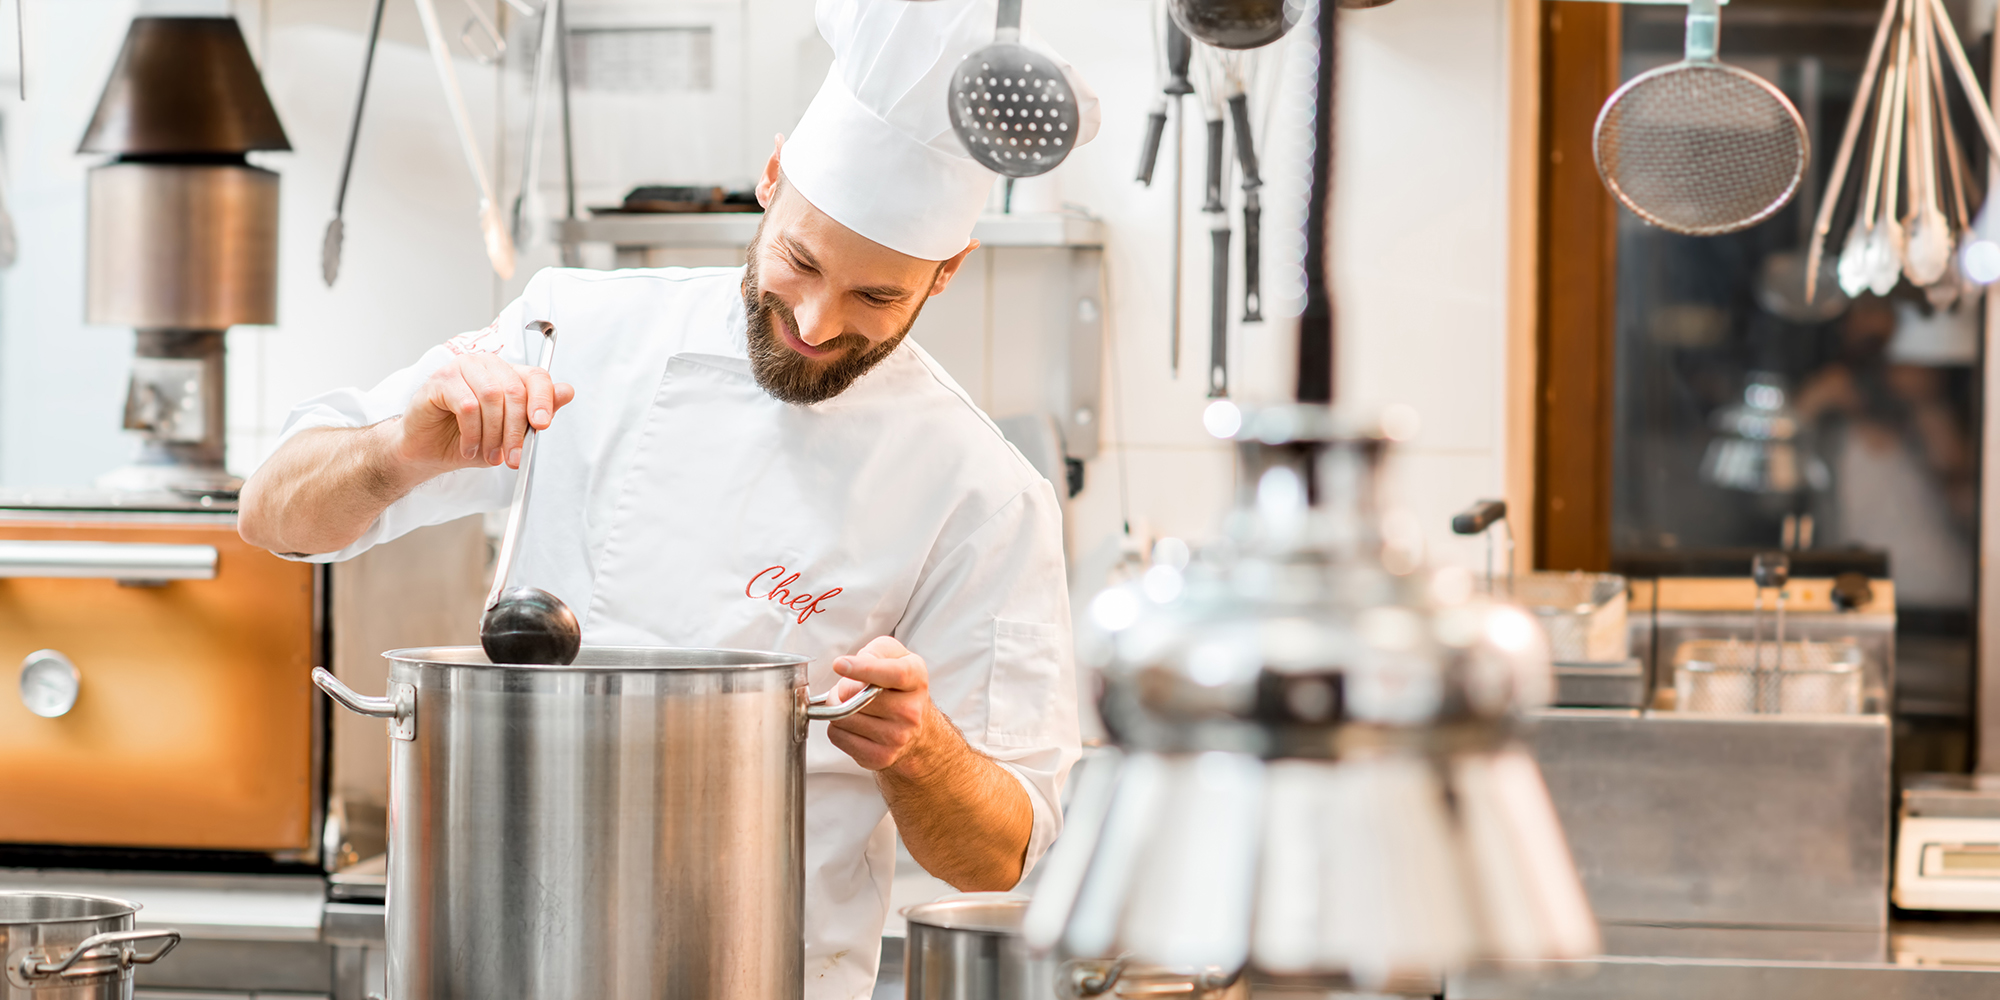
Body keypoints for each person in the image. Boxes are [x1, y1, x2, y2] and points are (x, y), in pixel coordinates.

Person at [238, 0, 1097, 995]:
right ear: (771, 178)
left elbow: (998, 855)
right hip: (500, 959)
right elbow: (272, 513)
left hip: (761, 976)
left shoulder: (982, 492)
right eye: (800, 260)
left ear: (946, 274)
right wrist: (398, 449)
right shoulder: (574, 332)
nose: (818, 320)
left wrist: (925, 752)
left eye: (877, 296)